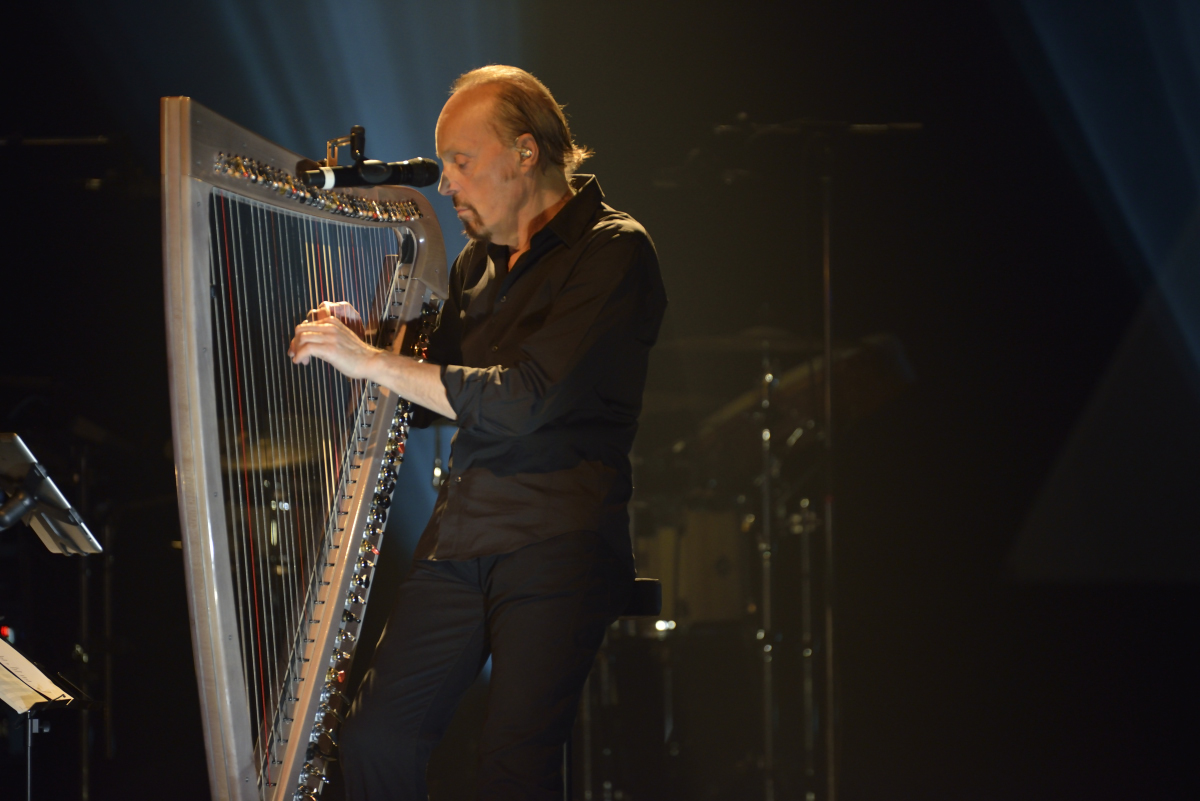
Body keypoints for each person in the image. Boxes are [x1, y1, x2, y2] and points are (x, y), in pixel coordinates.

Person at [288, 64, 666, 800]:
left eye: (461, 160)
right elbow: (440, 392)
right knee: (373, 737)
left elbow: (525, 400)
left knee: (512, 765)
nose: (446, 183)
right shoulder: (474, 264)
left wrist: (375, 362)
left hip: (558, 537)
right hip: (463, 535)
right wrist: (366, 341)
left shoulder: (614, 250)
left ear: (525, 152)